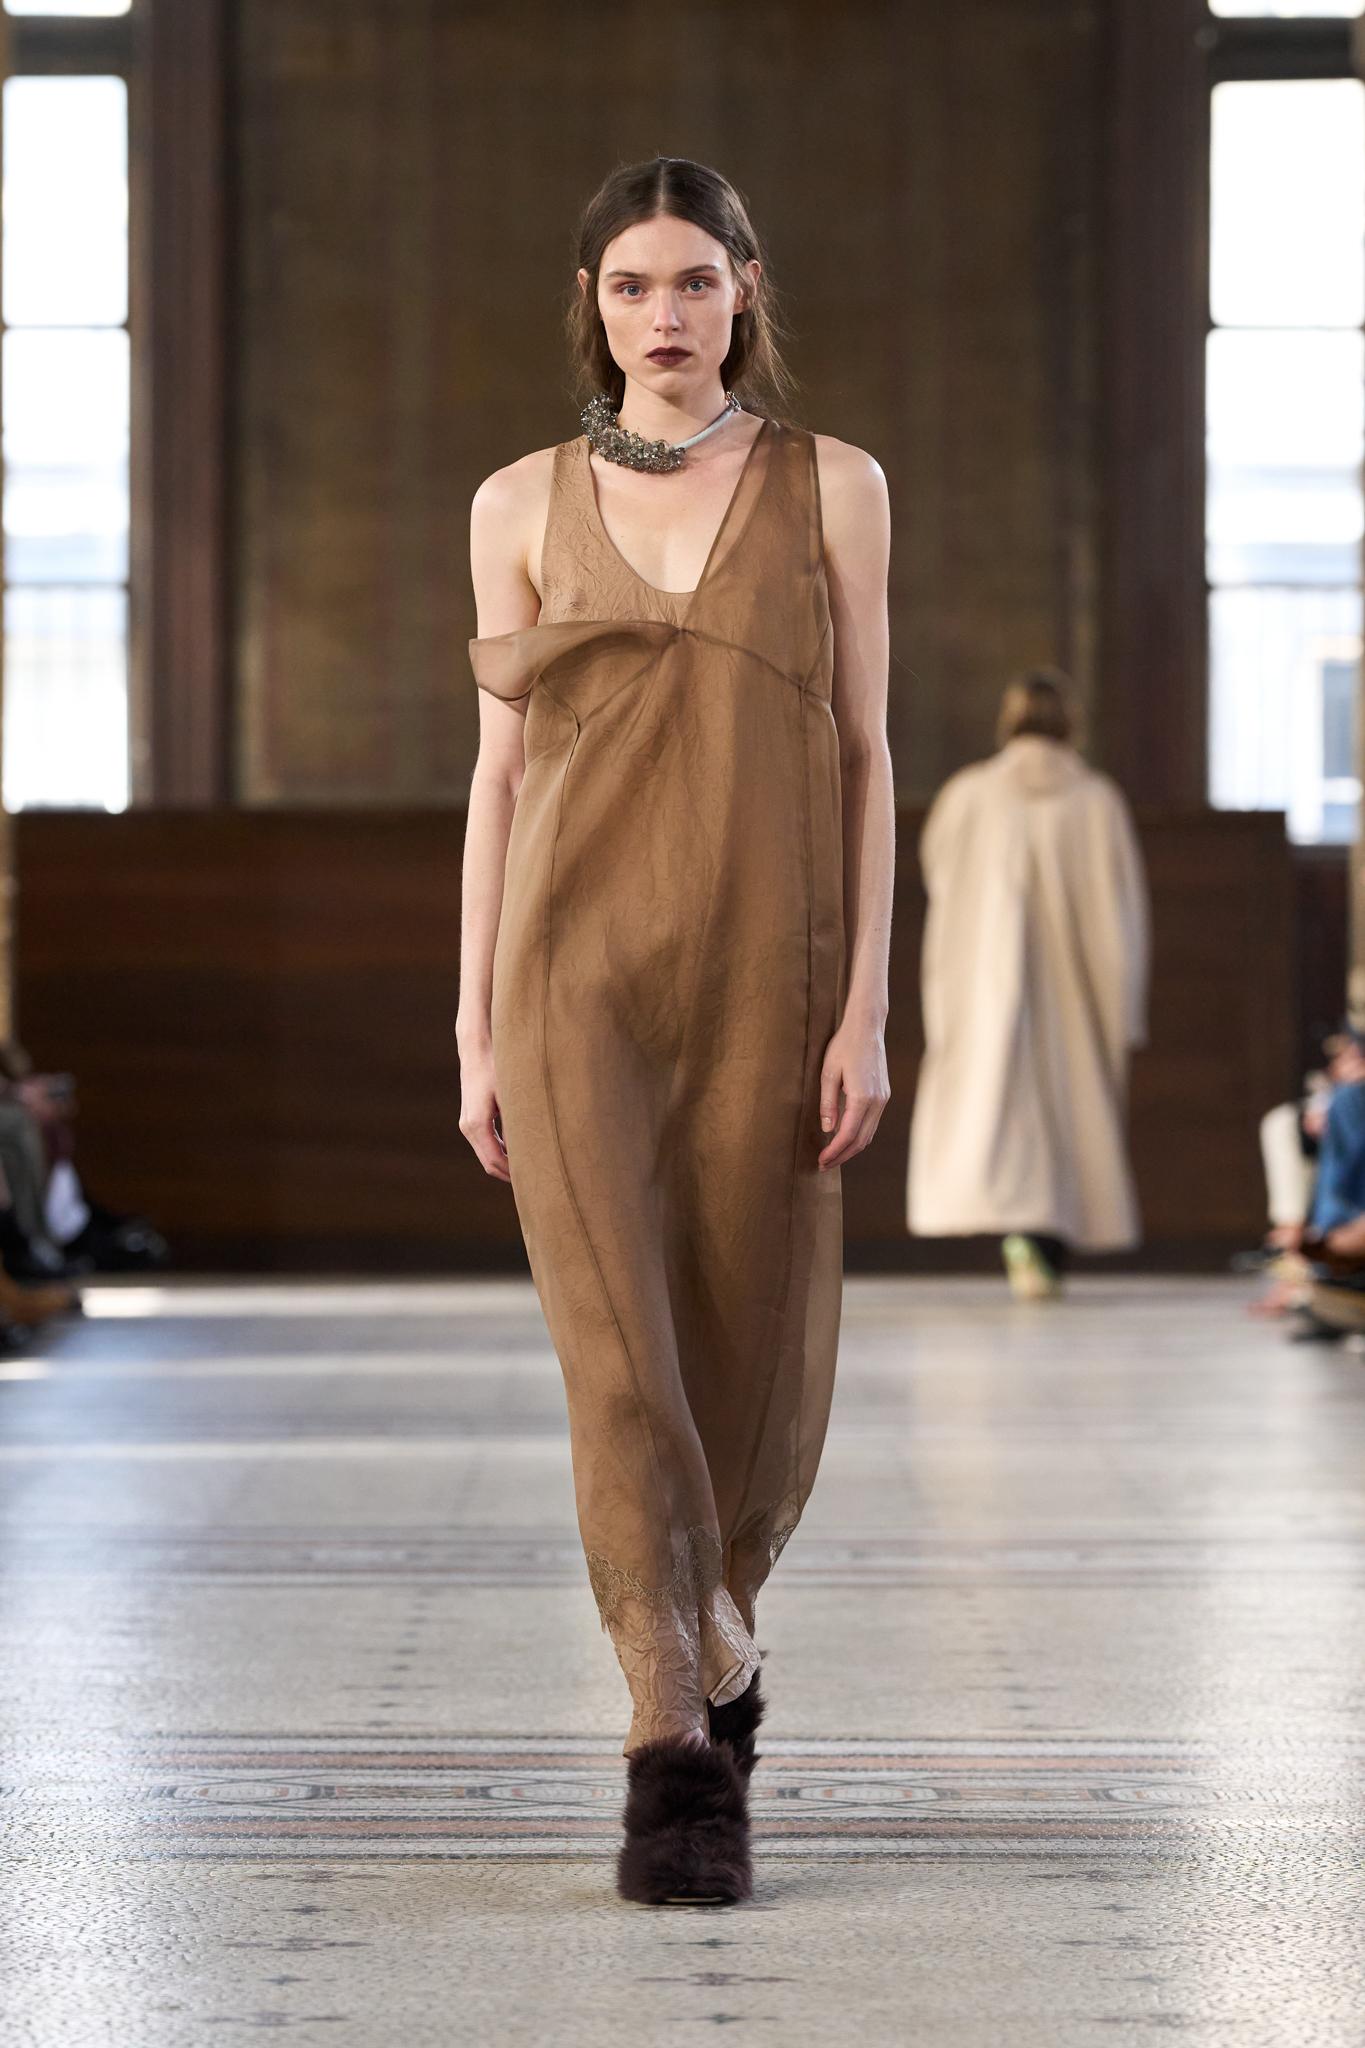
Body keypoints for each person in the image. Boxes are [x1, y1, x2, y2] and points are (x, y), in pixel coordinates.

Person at [457, 155, 894, 1904]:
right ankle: (671, 1748)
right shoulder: (514, 502)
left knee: (740, 1346)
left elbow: (867, 755)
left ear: (744, 290)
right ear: (592, 301)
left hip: (768, 977)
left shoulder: (835, 485)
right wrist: (472, 1022)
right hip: (569, 978)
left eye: (696, 282)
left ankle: (717, 1630)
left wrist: (865, 1005)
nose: (665, 316)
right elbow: (498, 780)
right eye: (633, 285)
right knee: (618, 1361)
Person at [906, 670, 1149, 1298]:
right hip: (1077, 984)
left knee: (998, 1099)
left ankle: (1020, 1231)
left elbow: (939, 873)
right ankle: (1048, 1242)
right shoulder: (1096, 801)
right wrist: (1124, 999)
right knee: (1072, 1106)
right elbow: (1123, 910)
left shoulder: (969, 795)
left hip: (985, 980)